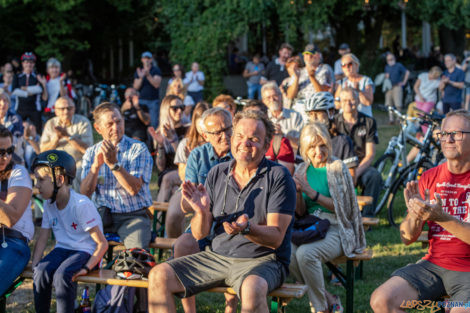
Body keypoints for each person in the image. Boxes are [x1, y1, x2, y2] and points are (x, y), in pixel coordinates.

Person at [148, 110, 296, 313]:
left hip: (263, 260)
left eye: (254, 139)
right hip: (216, 257)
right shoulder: (217, 173)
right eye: (240, 136)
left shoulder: (278, 176)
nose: (245, 143)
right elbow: (200, 234)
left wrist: (247, 229)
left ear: (266, 143)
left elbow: (276, 237)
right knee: (159, 275)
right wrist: (200, 212)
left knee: (252, 289)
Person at [370, 109, 470, 313]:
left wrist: (440, 218)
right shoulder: (430, 177)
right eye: (444, 134)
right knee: (382, 300)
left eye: (457, 134)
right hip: (433, 266)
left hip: (467, 271)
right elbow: (407, 238)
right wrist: (415, 214)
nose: (448, 139)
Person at [291, 122, 366, 313]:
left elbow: (344, 209)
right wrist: (299, 193)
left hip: (337, 227)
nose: (318, 151)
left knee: (306, 254)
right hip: (311, 226)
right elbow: (300, 212)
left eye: (322, 145)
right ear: (305, 148)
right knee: (287, 252)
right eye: (312, 147)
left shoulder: (337, 167)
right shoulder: (301, 169)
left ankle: (320, 308)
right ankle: (330, 300)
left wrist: (311, 192)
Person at [169, 107, 234, 313]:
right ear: (205, 136)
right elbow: (186, 204)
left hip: (233, 217)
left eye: (228, 129)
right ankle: (190, 310)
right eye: (218, 132)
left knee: (235, 247)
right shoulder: (198, 155)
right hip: (204, 217)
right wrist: (192, 201)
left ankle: (230, 308)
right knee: (184, 243)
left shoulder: (240, 152)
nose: (225, 136)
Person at [31, 150, 108, 313]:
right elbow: (43, 238)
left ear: (59, 180)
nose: (36, 185)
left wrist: (87, 268)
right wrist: (35, 266)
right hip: (63, 249)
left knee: (62, 275)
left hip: (85, 251)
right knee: (41, 272)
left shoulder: (80, 205)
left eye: (40, 180)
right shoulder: (48, 203)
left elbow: (102, 244)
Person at [81, 102, 153, 249]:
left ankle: (130, 272)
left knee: (136, 256)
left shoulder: (138, 149)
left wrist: (114, 165)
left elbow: (134, 189)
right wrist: (95, 167)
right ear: (98, 128)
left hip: (133, 216)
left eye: (119, 122)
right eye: (110, 124)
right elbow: (85, 193)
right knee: (77, 248)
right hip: (101, 215)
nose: (116, 128)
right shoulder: (91, 152)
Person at [334, 87, 382, 217]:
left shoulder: (369, 122)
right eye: (344, 100)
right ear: (340, 103)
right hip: (339, 165)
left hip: (361, 165)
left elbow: (370, 154)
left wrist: (355, 173)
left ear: (358, 100)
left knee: (374, 176)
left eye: (351, 100)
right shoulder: (334, 122)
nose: (348, 103)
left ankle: (367, 216)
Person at [164, 102, 209, 239]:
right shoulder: (186, 143)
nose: (203, 128)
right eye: (199, 123)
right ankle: (174, 246)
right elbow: (183, 176)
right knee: (173, 215)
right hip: (191, 186)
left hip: (212, 188)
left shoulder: (218, 142)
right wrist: (192, 161)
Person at [0, 125, 34, 296]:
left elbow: (10, 218)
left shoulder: (18, 173)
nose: (5, 157)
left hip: (12, 242)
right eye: (0, 152)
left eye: (9, 150)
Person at [40, 97, 93, 192]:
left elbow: (88, 150)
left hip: (77, 162)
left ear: (74, 109)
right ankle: (45, 204)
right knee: (42, 175)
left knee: (76, 172)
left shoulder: (83, 122)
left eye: (69, 108)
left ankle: (76, 202)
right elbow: (42, 151)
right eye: (62, 109)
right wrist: (56, 138)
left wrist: (68, 136)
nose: (66, 111)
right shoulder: (50, 123)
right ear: (56, 111)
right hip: (54, 163)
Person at [148, 95, 189, 203]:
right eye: (175, 108)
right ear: (166, 110)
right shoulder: (160, 132)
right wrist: (160, 145)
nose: (179, 111)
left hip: (185, 171)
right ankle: (162, 217)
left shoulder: (189, 129)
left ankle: (158, 216)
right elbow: (161, 167)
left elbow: (185, 160)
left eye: (182, 107)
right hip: (168, 173)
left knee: (167, 179)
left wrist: (173, 140)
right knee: (174, 190)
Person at [304, 91, 358, 172]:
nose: (314, 118)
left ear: (331, 112)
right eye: (311, 114)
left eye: (318, 113)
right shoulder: (305, 141)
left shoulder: (343, 141)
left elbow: (351, 178)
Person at [242, 100, 295, 174]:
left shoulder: (280, 143)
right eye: (247, 116)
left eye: (256, 116)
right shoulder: (237, 143)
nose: (251, 121)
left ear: (266, 117)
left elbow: (284, 175)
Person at [287, 43, 334, 114]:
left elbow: (323, 94)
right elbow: (290, 96)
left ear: (319, 56)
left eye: (312, 54)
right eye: (306, 54)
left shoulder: (325, 69)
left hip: (317, 107)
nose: (309, 57)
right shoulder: (299, 71)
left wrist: (312, 77)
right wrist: (296, 78)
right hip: (299, 107)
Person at [261, 81, 303, 152]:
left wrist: (283, 135)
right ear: (263, 101)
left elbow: (301, 145)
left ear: (281, 96)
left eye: (275, 96)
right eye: (268, 97)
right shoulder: (262, 118)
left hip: (292, 158)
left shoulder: (295, 116)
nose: (272, 100)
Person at [334, 53, 374, 117]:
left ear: (357, 65)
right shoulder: (342, 82)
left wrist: (358, 91)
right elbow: (336, 105)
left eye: (350, 64)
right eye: (343, 65)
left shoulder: (366, 80)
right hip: (346, 120)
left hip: (364, 119)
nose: (347, 67)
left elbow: (368, 102)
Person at [11, 52, 43, 131]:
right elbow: (14, 90)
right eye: (26, 62)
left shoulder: (38, 76)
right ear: (22, 63)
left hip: (34, 108)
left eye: (31, 62)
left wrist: (23, 88)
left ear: (34, 64)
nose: (29, 64)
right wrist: (29, 92)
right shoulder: (17, 76)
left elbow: (39, 89)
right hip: (20, 108)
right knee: (18, 130)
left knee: (37, 130)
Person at [133, 51, 162, 128]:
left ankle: (153, 140)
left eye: (148, 58)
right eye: (145, 58)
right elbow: (136, 87)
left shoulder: (156, 70)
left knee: (153, 123)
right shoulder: (139, 71)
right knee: (140, 122)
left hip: (153, 101)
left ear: (151, 60)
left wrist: (148, 75)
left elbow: (156, 84)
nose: (146, 60)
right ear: (142, 60)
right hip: (141, 100)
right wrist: (141, 77)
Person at [384, 52, 410, 123]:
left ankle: (398, 118)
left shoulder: (398, 65)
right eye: (388, 60)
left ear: (394, 58)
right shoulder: (387, 67)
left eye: (391, 59)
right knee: (389, 104)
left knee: (398, 104)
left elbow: (407, 72)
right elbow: (386, 75)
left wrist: (404, 82)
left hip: (397, 86)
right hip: (389, 88)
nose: (389, 61)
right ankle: (391, 119)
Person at [0, 93, 25, 163]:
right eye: (0, 100)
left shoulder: (15, 119)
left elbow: (15, 141)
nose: (2, 103)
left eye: (5, 101)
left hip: (12, 154)